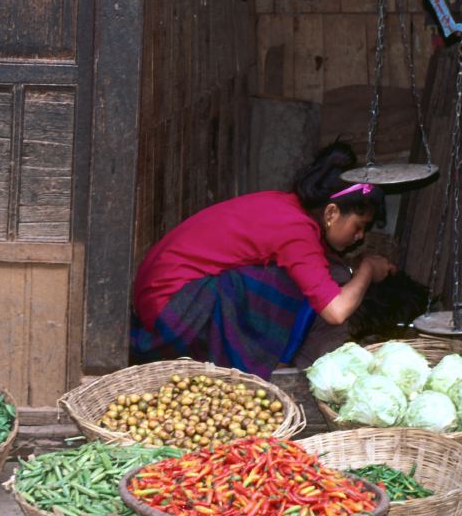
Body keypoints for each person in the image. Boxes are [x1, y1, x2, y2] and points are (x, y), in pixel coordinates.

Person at [130, 141, 397, 379]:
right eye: (359, 226)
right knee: (286, 282)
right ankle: (260, 363)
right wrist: (367, 269)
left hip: (156, 293)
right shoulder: (297, 233)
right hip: (171, 309)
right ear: (331, 212)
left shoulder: (285, 205)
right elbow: (335, 311)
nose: (360, 236)